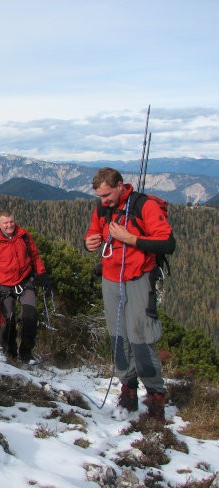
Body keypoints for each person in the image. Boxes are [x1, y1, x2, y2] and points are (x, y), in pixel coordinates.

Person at [84, 167, 175, 421]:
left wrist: (131, 239)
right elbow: (94, 234)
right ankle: (128, 391)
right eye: (100, 197)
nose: (103, 201)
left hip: (139, 278)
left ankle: (156, 396)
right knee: (118, 338)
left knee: (141, 338)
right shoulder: (103, 209)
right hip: (111, 279)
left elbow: (168, 244)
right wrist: (88, 242)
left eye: (107, 195)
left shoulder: (144, 206)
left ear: (121, 185)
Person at [0, 210, 51, 364]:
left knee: (30, 316)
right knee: (9, 319)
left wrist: (43, 274)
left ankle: (26, 353)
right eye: (5, 223)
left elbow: (35, 256)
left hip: (26, 281)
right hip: (4, 285)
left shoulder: (23, 236)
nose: (9, 225)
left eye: (11, 221)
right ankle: (10, 353)